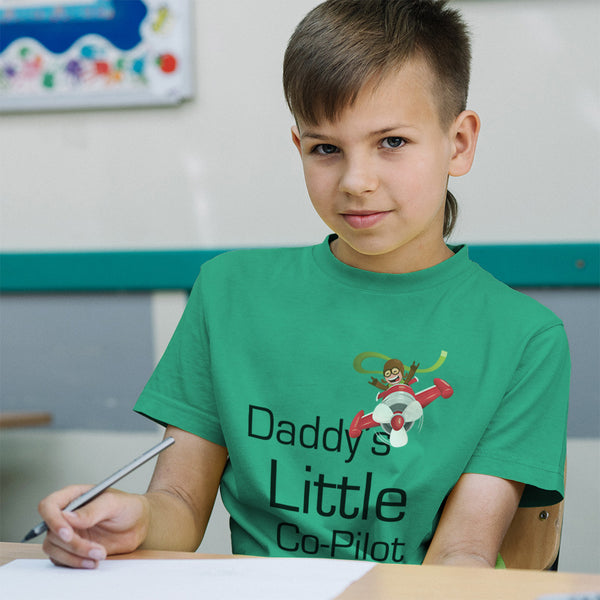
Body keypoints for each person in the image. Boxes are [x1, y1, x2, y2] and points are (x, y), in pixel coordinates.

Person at [38, 0, 569, 570]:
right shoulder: (228, 293)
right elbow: (180, 505)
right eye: (326, 148)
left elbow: (463, 552)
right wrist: (135, 518)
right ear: (300, 148)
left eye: (391, 142)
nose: (355, 181)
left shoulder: (525, 338)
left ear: (458, 143)